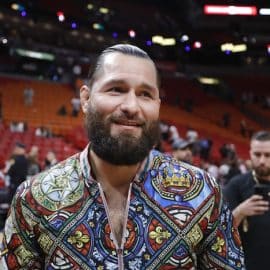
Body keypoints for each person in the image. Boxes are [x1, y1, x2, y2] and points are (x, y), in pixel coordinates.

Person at [0, 44, 245, 269]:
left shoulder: (203, 192)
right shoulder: (33, 198)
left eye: (145, 94)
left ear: (158, 104)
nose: (131, 106)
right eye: (116, 89)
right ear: (85, 99)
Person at [224, 130, 270, 270]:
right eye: (257, 154)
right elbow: (219, 231)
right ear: (250, 154)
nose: (262, 160)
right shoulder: (236, 185)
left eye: (268, 155)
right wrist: (240, 211)